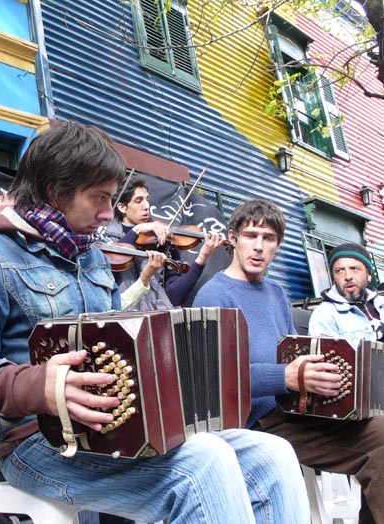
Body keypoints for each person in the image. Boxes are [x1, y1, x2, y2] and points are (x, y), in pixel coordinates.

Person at [0, 121, 309, 523]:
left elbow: (123, 345)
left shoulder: (92, 257)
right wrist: (35, 385)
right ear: (57, 192)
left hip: (116, 431)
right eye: (100, 198)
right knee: (204, 462)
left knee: (272, 454)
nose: (110, 213)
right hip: (37, 442)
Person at [193, 199, 384, 524]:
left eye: (268, 239)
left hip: (295, 410)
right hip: (254, 422)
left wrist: (322, 378)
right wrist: (287, 377)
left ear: (278, 246)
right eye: (251, 235)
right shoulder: (213, 296)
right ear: (232, 238)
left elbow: (290, 355)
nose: (258, 246)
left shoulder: (276, 292)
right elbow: (214, 379)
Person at [101, 174, 226, 310]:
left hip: (157, 320)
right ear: (122, 207)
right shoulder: (106, 236)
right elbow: (106, 266)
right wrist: (137, 230)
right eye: (139, 201)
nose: (146, 206)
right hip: (121, 318)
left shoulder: (163, 241)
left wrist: (201, 259)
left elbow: (175, 296)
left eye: (147, 200)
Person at [309, 242, 384, 341]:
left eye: (355, 269)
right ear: (333, 278)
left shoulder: (381, 303)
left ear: (369, 275)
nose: (348, 276)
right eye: (339, 270)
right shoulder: (325, 315)